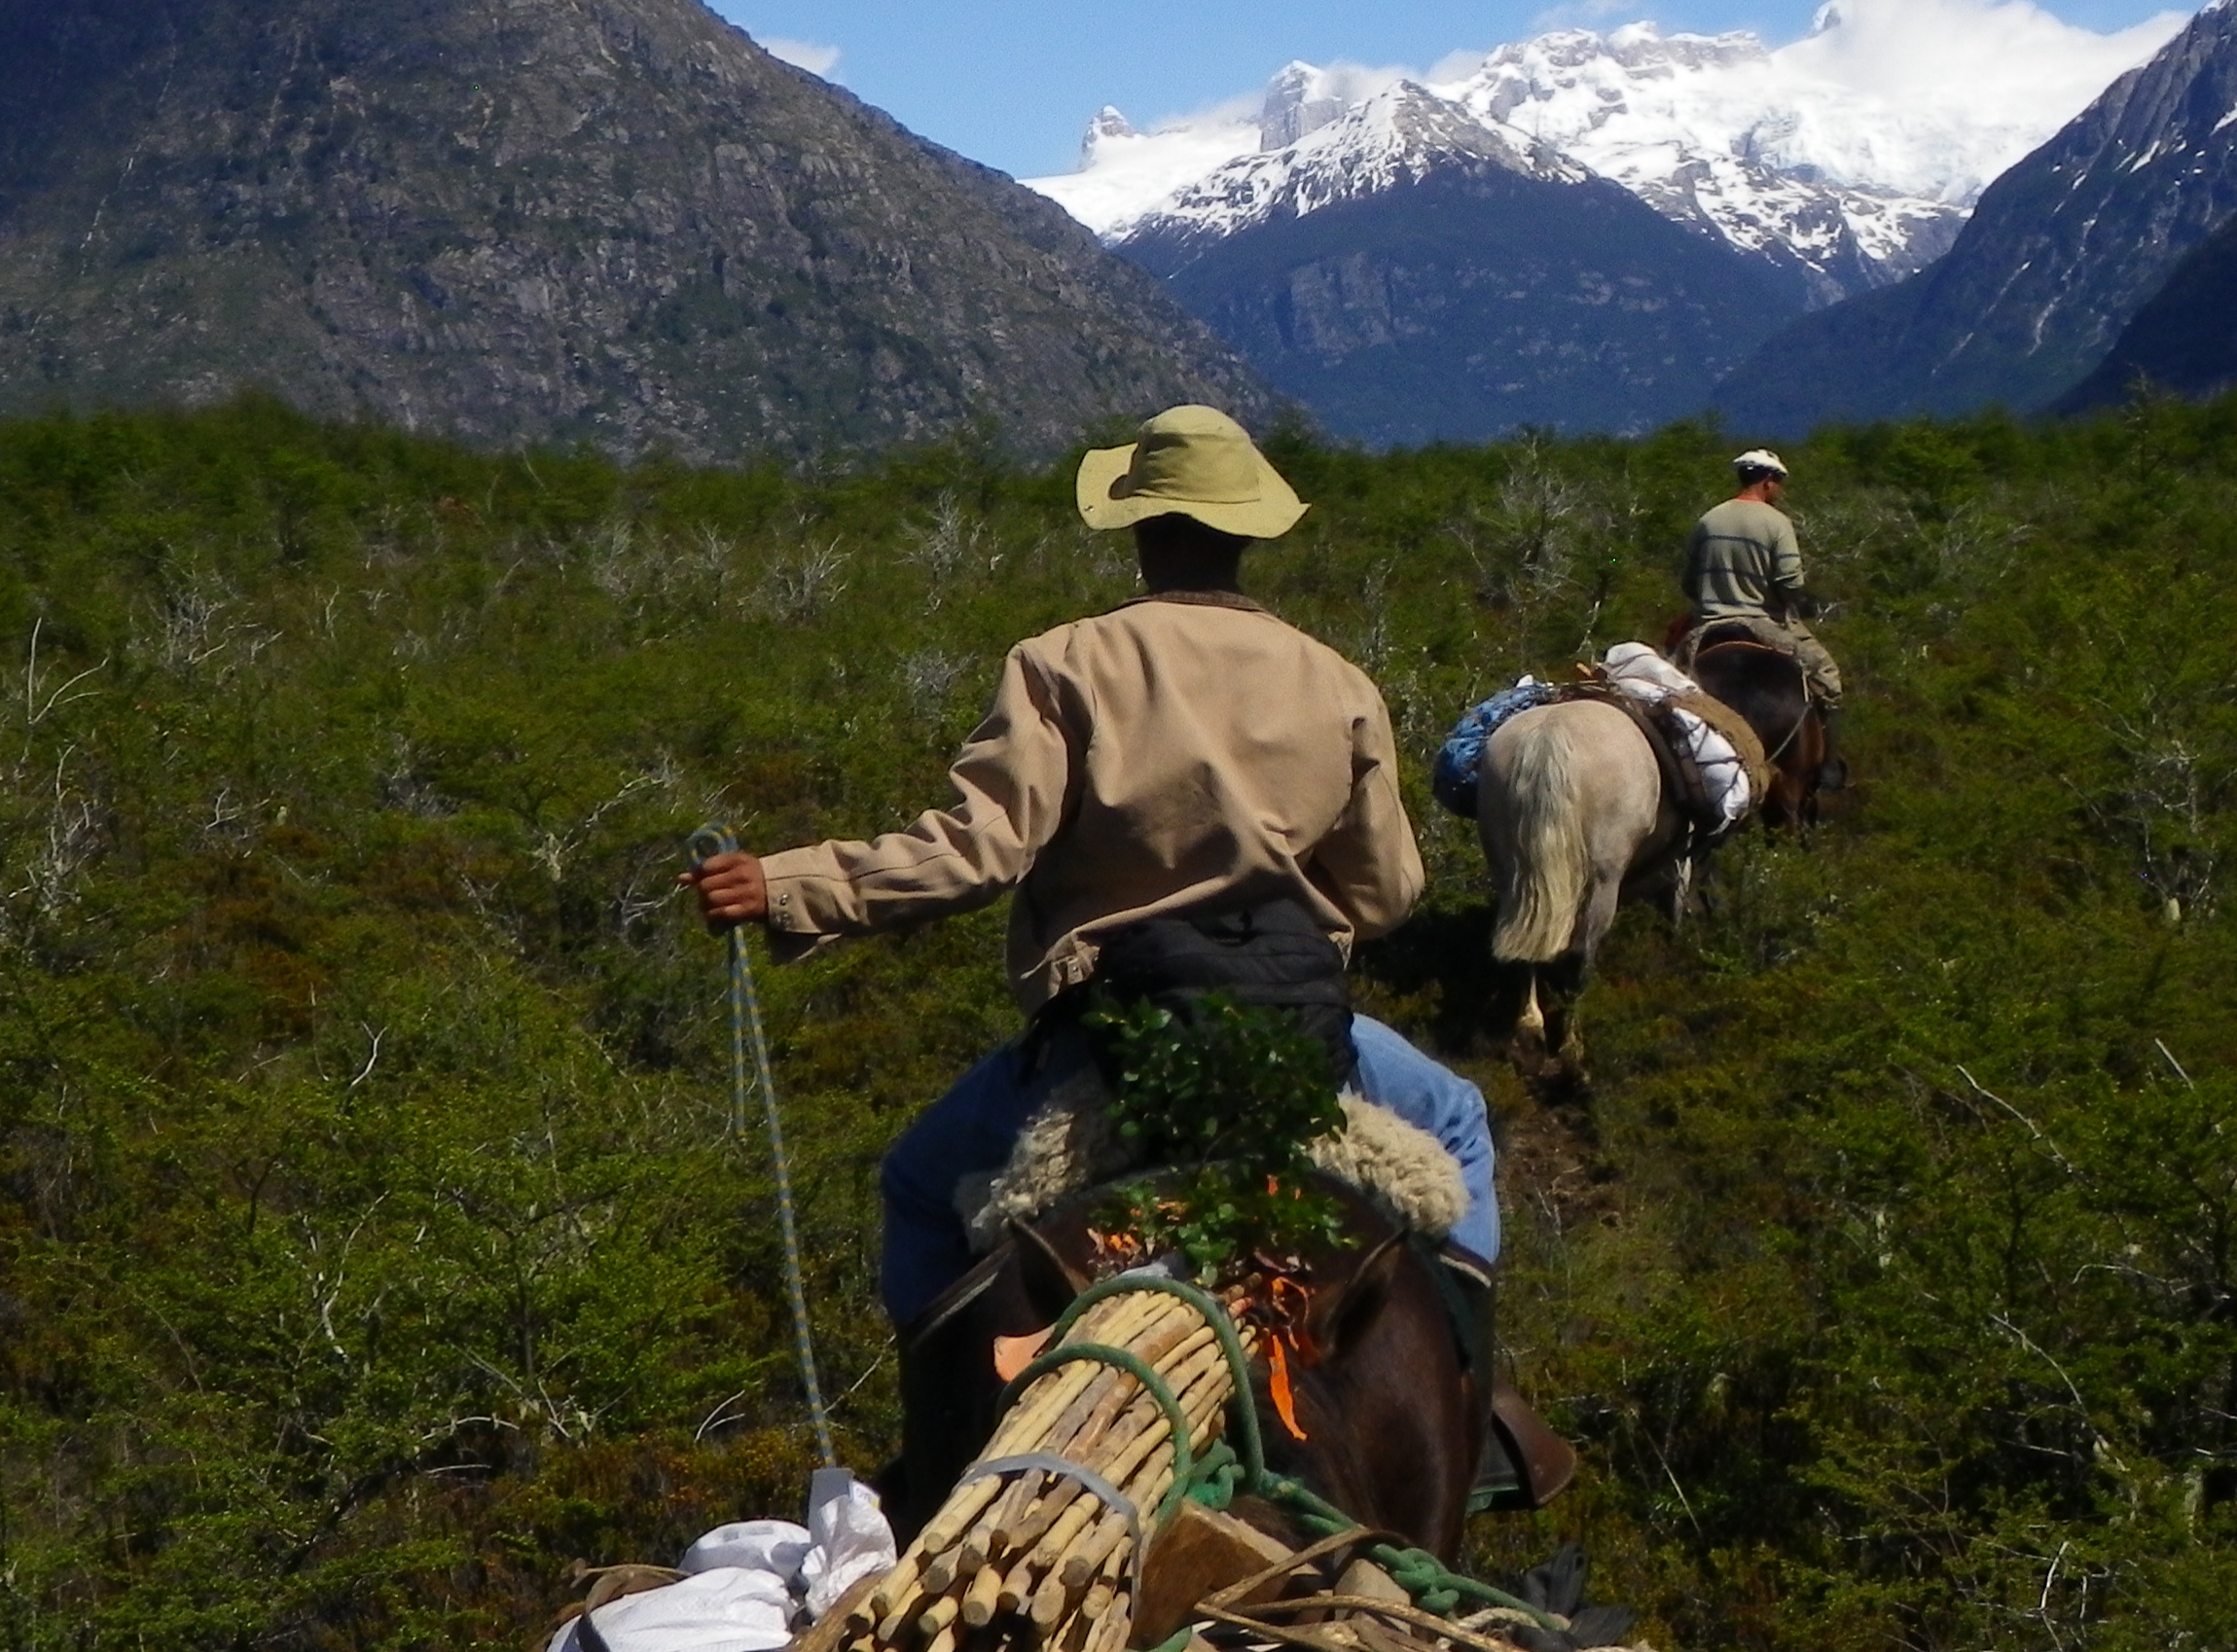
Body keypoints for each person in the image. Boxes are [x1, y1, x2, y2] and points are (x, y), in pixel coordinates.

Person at [682, 404, 1501, 1340]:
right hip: (1298, 1031)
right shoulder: (1338, 681)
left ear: (1142, 525)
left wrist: (787, 885)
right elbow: (1388, 893)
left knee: (918, 1180)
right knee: (1457, 1119)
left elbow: (977, 851)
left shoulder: (1063, 662)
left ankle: (941, 1439)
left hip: (1115, 1028)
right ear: (1247, 532)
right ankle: (1466, 1377)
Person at [1678, 446, 1845, 712]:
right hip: (1762, 624)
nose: (1779, 489)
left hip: (1707, 624)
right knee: (1827, 676)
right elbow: (1791, 585)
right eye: (1778, 483)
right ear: (1767, 482)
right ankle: (1827, 752)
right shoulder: (1778, 523)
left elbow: (1688, 583)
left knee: (1666, 679)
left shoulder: (1708, 520)